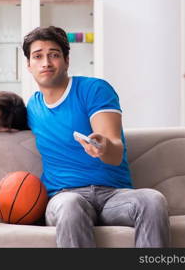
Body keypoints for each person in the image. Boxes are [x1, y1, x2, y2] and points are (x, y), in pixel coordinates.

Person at [23, 26, 170, 248]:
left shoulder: (94, 89)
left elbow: (115, 151)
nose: (46, 62)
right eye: (38, 56)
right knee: (70, 205)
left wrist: (103, 147)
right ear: (28, 65)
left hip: (114, 196)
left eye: (54, 54)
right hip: (64, 197)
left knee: (152, 200)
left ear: (67, 60)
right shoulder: (32, 107)